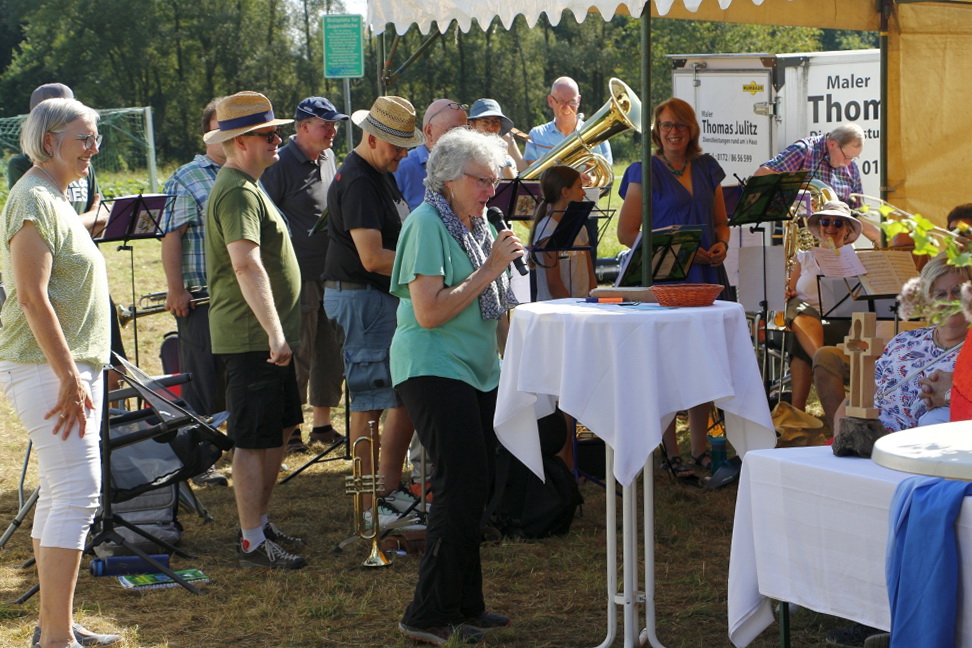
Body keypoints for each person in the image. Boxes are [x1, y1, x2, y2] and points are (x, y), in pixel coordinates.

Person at [0, 98, 123, 648]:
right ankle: (54, 639)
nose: (94, 149)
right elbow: (31, 297)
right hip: (46, 369)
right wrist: (71, 373)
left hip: (65, 367)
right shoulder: (31, 197)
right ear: (49, 140)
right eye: (85, 138)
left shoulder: (53, 196)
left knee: (61, 492)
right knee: (77, 493)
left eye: (96, 138)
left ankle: (52, 628)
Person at [391, 126, 519, 647]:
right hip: (432, 366)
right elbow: (429, 311)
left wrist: (517, 357)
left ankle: (466, 605)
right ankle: (425, 614)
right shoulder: (426, 223)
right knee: (458, 487)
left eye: (494, 181)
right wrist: (492, 268)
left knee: (474, 489)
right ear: (447, 178)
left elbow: (499, 307)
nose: (491, 191)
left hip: (475, 368)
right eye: (481, 181)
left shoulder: (479, 223)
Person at [204, 91, 306, 569]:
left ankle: (259, 523)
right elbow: (246, 265)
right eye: (269, 134)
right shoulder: (238, 190)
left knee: (279, 428)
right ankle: (251, 538)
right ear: (241, 141)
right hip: (253, 338)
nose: (278, 140)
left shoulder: (246, 183)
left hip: (264, 336)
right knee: (252, 438)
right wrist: (275, 333)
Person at [615, 97, 730, 477]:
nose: (673, 132)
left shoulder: (707, 167)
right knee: (665, 367)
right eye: (666, 125)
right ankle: (670, 453)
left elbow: (720, 221)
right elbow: (626, 233)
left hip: (707, 279)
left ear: (692, 129)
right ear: (656, 130)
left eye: (680, 125)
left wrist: (721, 246)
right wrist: (682, 252)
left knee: (703, 365)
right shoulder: (642, 170)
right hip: (665, 280)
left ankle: (700, 450)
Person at [324, 96, 424, 527]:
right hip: (363, 297)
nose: (403, 155)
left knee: (398, 395)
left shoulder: (379, 173)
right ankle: (368, 508)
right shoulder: (360, 180)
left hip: (379, 298)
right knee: (369, 399)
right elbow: (371, 257)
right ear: (370, 137)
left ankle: (387, 491)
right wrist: (426, 268)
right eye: (396, 147)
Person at [816, 204, 972, 429]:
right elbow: (858, 397)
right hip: (866, 438)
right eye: (939, 293)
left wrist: (950, 394)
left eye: (957, 292)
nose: (948, 300)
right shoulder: (904, 342)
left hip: (908, 449)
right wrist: (840, 437)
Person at [261, 96, 348, 453]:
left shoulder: (328, 158)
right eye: (325, 124)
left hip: (331, 270)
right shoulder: (280, 164)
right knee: (300, 351)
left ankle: (322, 425)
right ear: (302, 127)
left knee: (331, 351)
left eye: (335, 124)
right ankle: (290, 428)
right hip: (297, 274)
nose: (333, 131)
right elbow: (267, 218)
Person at [783, 200, 862, 413]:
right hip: (805, 319)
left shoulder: (856, 260)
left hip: (841, 322)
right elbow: (791, 293)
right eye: (826, 221)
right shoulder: (805, 258)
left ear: (847, 230)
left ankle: (797, 412)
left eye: (838, 224)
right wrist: (787, 293)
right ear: (819, 227)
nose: (830, 227)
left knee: (797, 342)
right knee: (796, 308)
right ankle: (821, 358)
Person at [754, 123, 867, 210]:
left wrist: (878, 237)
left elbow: (858, 213)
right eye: (846, 156)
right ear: (832, 144)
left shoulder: (852, 168)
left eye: (853, 158)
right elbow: (761, 177)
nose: (847, 163)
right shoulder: (804, 150)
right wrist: (801, 201)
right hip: (802, 233)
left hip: (836, 236)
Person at [527, 165, 595, 300]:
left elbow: (590, 274)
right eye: (579, 187)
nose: (584, 193)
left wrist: (593, 300)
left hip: (582, 307)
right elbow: (554, 285)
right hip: (557, 311)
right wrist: (573, 310)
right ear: (565, 192)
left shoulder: (580, 228)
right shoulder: (546, 229)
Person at [393, 99, 468, 211]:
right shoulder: (402, 169)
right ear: (429, 131)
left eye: (465, 132)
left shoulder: (467, 169)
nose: (461, 139)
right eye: (453, 132)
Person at [522, 77, 612, 167]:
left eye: (572, 101)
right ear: (550, 101)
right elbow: (530, 176)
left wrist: (588, 179)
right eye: (561, 101)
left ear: (579, 101)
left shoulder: (597, 134)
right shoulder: (536, 135)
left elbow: (607, 176)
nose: (567, 107)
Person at [467, 98, 526, 178]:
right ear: (472, 125)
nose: (491, 127)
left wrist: (504, 160)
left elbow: (512, 188)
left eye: (496, 122)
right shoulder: (463, 155)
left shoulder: (507, 159)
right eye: (485, 122)